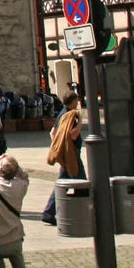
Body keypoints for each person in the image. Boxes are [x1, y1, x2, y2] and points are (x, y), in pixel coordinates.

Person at [41, 91, 83, 226]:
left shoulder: (61, 114)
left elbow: (52, 132)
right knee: (81, 184)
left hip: (65, 153)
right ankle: (82, 214)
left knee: (65, 183)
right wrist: (81, 122)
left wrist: (57, 147)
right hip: (71, 154)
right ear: (74, 102)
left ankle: (50, 213)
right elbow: (73, 135)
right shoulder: (72, 115)